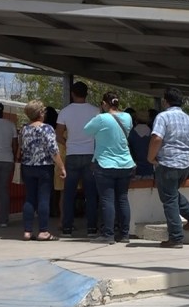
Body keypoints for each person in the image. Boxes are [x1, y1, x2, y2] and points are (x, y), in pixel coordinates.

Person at [148, 87, 189, 248]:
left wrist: (150, 157)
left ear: (166, 101)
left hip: (167, 163)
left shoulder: (163, 116)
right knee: (172, 194)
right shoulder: (188, 119)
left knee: (169, 199)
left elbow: (157, 138)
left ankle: (176, 237)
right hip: (185, 164)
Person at [84, 91, 135, 244]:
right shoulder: (127, 117)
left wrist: (100, 114)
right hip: (125, 163)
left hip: (105, 164)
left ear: (104, 104)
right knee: (122, 199)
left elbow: (86, 130)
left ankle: (108, 234)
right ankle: (125, 234)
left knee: (107, 200)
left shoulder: (101, 118)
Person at [18, 100, 66, 241]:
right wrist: (62, 167)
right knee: (43, 198)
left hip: (27, 166)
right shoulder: (47, 129)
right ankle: (43, 231)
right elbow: (53, 150)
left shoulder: (24, 129)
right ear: (40, 113)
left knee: (30, 198)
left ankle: (27, 231)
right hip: (44, 166)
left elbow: (21, 148)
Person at [56, 81, 100, 237]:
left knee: (69, 194)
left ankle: (67, 227)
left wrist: (68, 143)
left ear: (72, 94)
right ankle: (92, 229)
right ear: (86, 93)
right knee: (91, 194)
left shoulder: (65, 112)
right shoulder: (96, 111)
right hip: (90, 155)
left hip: (72, 155)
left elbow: (58, 134)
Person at [43, 106, 64, 218]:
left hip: (44, 161)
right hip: (56, 159)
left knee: (46, 189)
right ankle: (55, 209)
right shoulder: (58, 129)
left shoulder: (45, 128)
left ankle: (49, 210)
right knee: (56, 189)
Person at [128, 110, 154, 179]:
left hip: (135, 170)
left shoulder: (131, 134)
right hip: (150, 170)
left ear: (135, 120)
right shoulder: (153, 134)